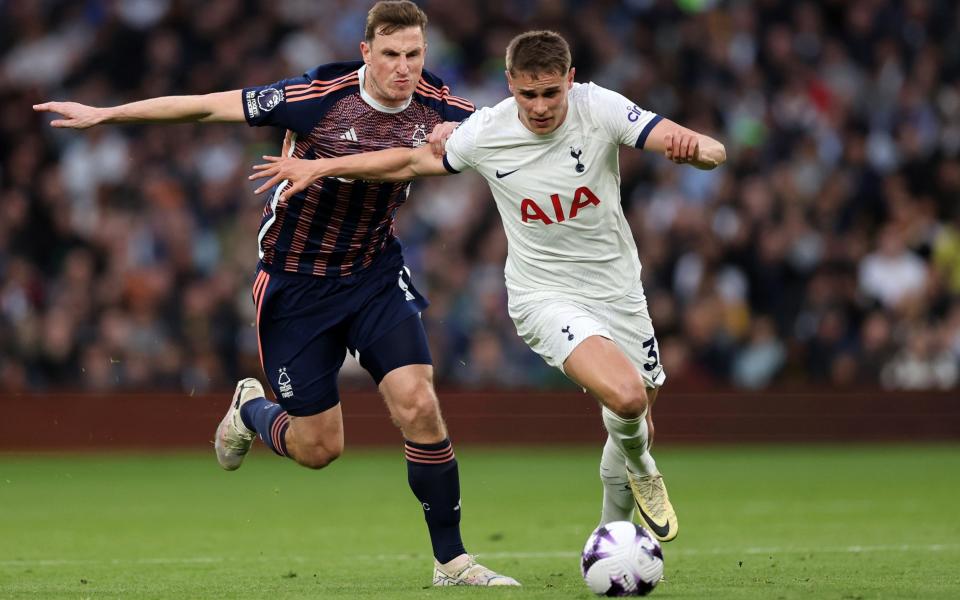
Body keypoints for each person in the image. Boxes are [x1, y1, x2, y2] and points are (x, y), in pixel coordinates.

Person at [33, 1, 518, 587]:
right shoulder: (316, 94)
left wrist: (472, 130)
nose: (404, 68)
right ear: (366, 53)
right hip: (296, 284)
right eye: (390, 55)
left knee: (418, 401)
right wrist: (108, 115)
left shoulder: (442, 106)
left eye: (414, 54)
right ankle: (250, 409)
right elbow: (209, 106)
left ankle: (452, 561)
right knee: (319, 448)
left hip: (371, 274)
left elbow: (506, 128)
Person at [250, 30, 727, 543]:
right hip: (543, 294)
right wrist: (322, 165)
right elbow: (407, 161)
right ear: (510, 86)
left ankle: (614, 532)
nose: (540, 106)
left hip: (618, 289)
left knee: (636, 415)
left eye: (551, 93)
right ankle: (644, 470)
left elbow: (710, 148)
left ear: (570, 81)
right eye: (528, 94)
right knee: (628, 399)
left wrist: (696, 150)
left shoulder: (600, 107)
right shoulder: (487, 131)